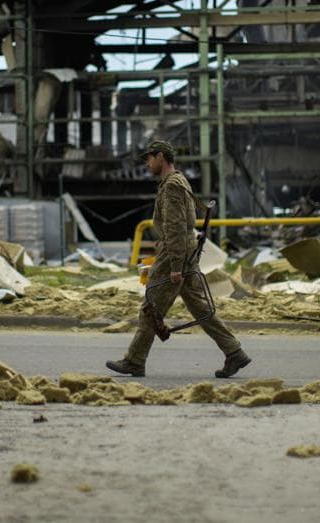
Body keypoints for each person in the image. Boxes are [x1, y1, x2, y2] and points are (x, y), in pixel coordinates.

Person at [106, 140, 251, 378]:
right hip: (185, 250)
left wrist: (174, 265)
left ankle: (134, 360)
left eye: (149, 158)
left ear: (161, 157)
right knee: (200, 306)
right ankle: (234, 352)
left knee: (150, 308)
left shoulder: (171, 186)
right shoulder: (179, 180)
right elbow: (180, 225)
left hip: (176, 255)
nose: (147, 163)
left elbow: (175, 226)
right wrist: (165, 241)